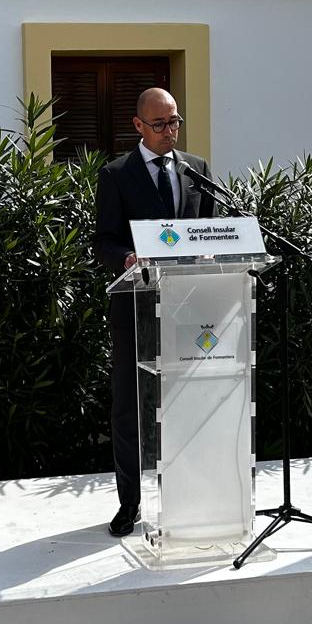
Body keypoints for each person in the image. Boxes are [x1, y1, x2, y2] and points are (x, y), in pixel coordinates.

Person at [93, 86, 215, 536]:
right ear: (139, 126)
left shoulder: (197, 170)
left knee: (190, 401)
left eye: (176, 121)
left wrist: (211, 257)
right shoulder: (117, 174)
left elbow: (210, 234)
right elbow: (104, 240)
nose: (171, 131)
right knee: (129, 405)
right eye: (161, 124)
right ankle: (130, 504)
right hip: (134, 305)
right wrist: (126, 258)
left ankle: (191, 497)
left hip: (189, 305)